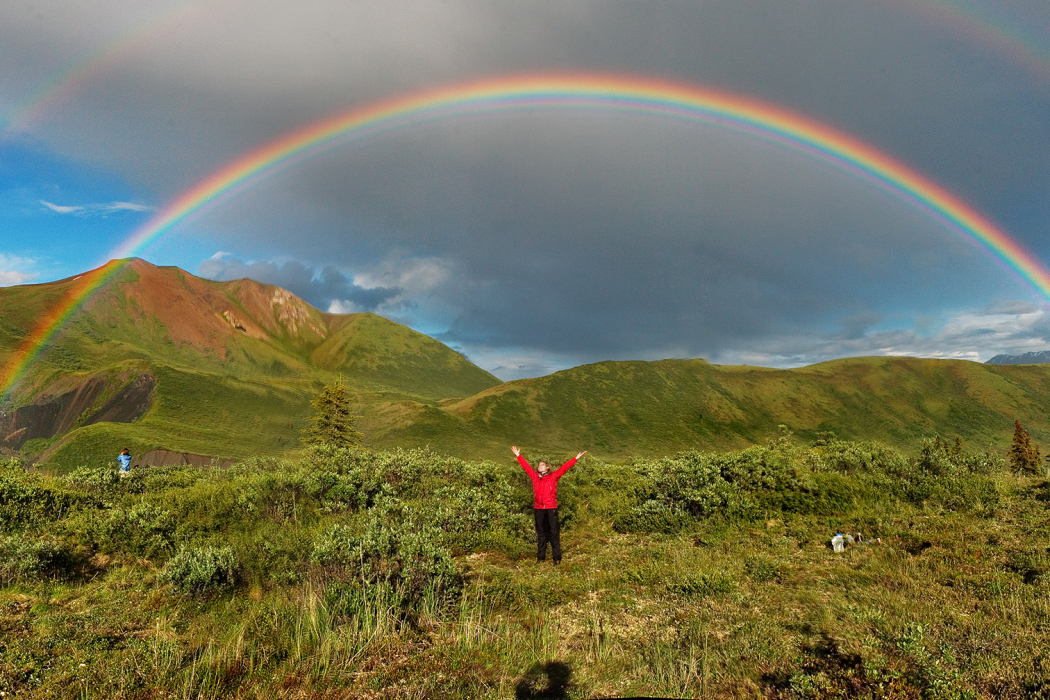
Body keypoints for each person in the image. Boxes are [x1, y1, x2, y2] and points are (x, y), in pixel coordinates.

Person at [512, 445, 587, 565]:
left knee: (553, 533)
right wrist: (518, 456)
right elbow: (526, 467)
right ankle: (540, 559)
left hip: (551, 508)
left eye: (542, 465)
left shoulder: (553, 477)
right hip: (538, 509)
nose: (539, 466)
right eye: (539, 465)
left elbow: (564, 468)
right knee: (541, 534)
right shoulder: (535, 477)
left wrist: (576, 458)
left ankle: (557, 559)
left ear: (547, 468)